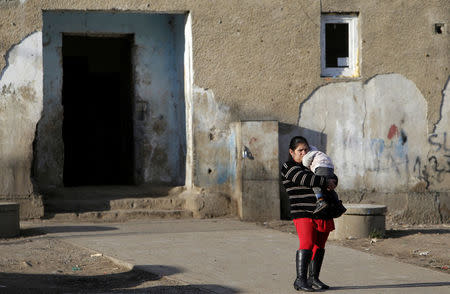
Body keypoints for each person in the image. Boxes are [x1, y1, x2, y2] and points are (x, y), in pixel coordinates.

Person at [281, 136, 337, 292]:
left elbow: (331, 175)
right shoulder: (288, 166)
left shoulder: (312, 162)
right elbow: (306, 179)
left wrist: (329, 180)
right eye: (300, 150)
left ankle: (313, 278)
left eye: (306, 149)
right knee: (307, 243)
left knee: (319, 245)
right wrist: (324, 181)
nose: (304, 152)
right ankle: (300, 280)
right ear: (292, 152)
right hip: (302, 211)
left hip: (322, 211)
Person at [301, 146, 339, 215]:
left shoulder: (309, 155)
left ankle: (320, 201)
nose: (303, 153)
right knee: (329, 188)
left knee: (316, 183)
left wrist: (305, 164)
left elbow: (305, 162)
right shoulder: (319, 153)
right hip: (330, 168)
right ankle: (336, 201)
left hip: (321, 167)